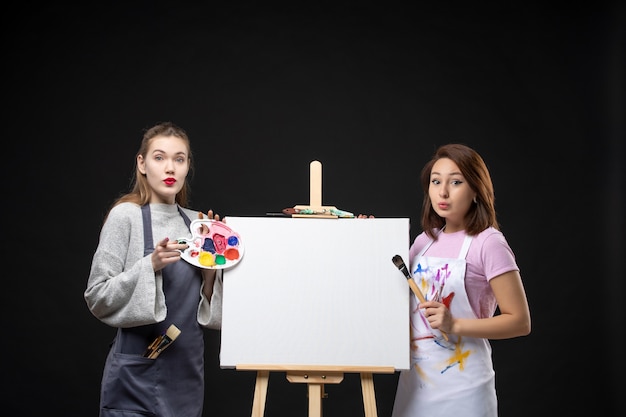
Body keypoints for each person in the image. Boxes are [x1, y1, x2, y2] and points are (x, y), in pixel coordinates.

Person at [84, 121, 224, 417]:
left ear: (188, 167)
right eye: (159, 158)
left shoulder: (197, 224)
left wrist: (211, 271)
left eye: (179, 159)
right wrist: (150, 265)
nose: (170, 168)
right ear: (142, 163)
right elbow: (97, 295)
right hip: (136, 372)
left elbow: (209, 311)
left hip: (185, 372)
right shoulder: (126, 217)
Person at [391, 143, 531, 417]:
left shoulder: (488, 243)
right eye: (435, 181)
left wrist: (453, 324)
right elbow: (391, 295)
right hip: (415, 386)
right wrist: (370, 237)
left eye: (456, 182)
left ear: (476, 189)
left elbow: (520, 321)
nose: (442, 192)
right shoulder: (423, 241)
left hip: (464, 389)